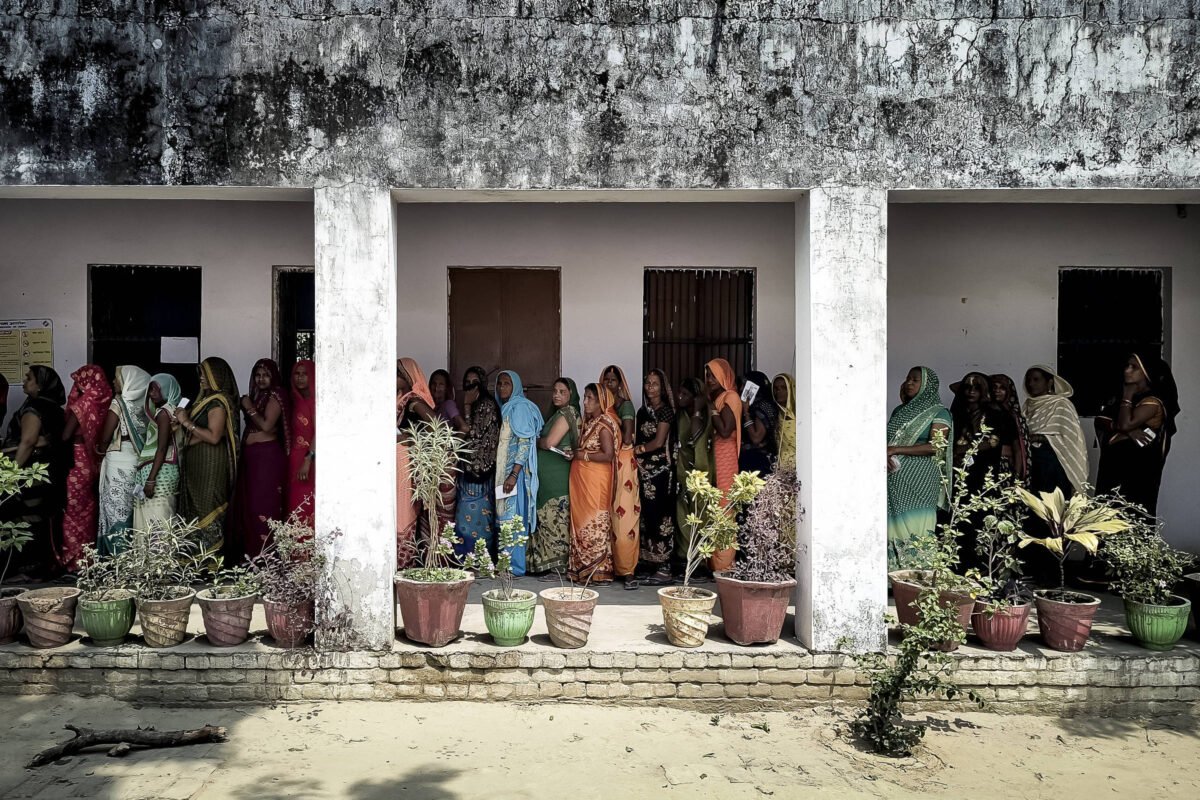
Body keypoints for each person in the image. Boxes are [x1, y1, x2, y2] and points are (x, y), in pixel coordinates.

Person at [2, 366, 69, 579]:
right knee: (41, 520)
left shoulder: (35, 406)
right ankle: (41, 568)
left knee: (24, 518)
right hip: (49, 473)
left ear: (40, 384)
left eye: (29, 378)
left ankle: (27, 570)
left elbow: (29, 441)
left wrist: (11, 473)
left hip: (30, 475)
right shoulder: (57, 409)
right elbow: (43, 440)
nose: (24, 381)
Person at [1096, 354, 1180, 516]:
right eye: (1127, 365)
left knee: (1131, 514)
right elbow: (1101, 420)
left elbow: (1125, 423)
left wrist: (1127, 396)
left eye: (1134, 367)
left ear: (1147, 372)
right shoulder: (1118, 399)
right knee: (1107, 516)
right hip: (1114, 470)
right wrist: (1127, 430)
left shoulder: (1153, 402)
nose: (1127, 370)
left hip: (1136, 474)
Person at [886, 367, 953, 571]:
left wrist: (895, 449)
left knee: (917, 525)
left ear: (927, 385)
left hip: (921, 479)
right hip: (894, 477)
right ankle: (894, 575)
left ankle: (918, 573)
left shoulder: (939, 412)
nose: (909, 383)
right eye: (908, 378)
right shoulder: (900, 410)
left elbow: (936, 446)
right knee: (892, 525)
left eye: (915, 380)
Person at [230, 359, 289, 561]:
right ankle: (251, 557)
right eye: (257, 375)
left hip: (267, 461)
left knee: (264, 507)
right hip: (253, 460)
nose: (261, 379)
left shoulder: (276, 395)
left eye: (266, 375)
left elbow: (266, 425)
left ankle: (267, 558)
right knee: (250, 509)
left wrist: (247, 406)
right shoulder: (259, 396)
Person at [60, 365, 112, 572]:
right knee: (88, 510)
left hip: (77, 459)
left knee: (72, 511)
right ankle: (88, 558)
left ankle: (73, 560)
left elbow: (65, 435)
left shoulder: (82, 404)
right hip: (94, 462)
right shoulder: (105, 401)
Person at [569, 383, 620, 585]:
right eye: (585, 397)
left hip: (596, 482)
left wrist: (584, 455)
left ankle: (598, 570)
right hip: (583, 483)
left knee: (596, 523)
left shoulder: (604, 423)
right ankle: (582, 567)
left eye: (590, 398)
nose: (585, 402)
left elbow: (608, 455)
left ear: (601, 402)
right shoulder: (590, 422)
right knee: (582, 525)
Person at [97, 365, 150, 555]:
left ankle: (116, 557)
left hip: (118, 460)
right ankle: (132, 556)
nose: (113, 382)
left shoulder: (119, 402)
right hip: (138, 461)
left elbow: (105, 436)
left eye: (116, 378)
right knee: (131, 510)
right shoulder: (147, 404)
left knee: (114, 509)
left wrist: (101, 449)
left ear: (127, 381)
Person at [529, 377, 579, 577]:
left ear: (571, 395)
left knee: (556, 519)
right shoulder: (557, 414)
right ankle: (548, 564)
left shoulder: (568, 413)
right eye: (555, 391)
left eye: (562, 392)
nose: (557, 395)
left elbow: (549, 442)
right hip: (547, 477)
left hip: (557, 478)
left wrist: (536, 440)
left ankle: (558, 566)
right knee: (547, 519)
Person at [495, 370, 543, 577]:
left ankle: (514, 567)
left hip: (514, 475)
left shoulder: (519, 408)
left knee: (512, 519)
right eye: (499, 384)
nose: (502, 387)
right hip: (503, 473)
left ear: (516, 386)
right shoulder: (507, 409)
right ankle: (506, 564)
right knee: (503, 516)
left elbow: (524, 443)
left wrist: (513, 475)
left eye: (507, 383)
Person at [634, 369, 676, 585]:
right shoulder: (643, 411)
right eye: (647, 383)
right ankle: (648, 562)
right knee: (646, 517)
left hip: (660, 472)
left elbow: (659, 442)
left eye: (655, 383)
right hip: (643, 472)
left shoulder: (665, 412)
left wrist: (638, 450)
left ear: (663, 387)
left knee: (661, 517)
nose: (650, 387)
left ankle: (664, 567)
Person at [454, 365, 500, 560]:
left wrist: (465, 408)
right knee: (465, 519)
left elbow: (473, 436)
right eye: (467, 383)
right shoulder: (477, 406)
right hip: (469, 471)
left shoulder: (486, 406)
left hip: (480, 473)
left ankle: (480, 561)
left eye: (475, 383)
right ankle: (465, 560)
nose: (470, 387)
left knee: (479, 519)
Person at [1022, 365, 1088, 499]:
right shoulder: (1027, 405)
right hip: (1033, 463)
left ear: (1050, 382)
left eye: (1036, 380)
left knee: (1053, 506)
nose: (1031, 384)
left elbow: (1070, 436)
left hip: (1054, 463)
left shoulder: (1061, 404)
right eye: (1028, 380)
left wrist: (1039, 438)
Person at [602, 365, 641, 589]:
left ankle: (627, 571)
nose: (609, 383)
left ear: (620, 383)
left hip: (623, 463)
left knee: (624, 518)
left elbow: (627, 438)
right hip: (605, 464)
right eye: (606, 379)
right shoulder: (601, 407)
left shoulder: (624, 406)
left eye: (613, 380)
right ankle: (608, 567)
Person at [396, 357, 435, 568]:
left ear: (409, 377)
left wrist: (409, 439)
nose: (394, 377)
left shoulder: (414, 401)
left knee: (405, 512)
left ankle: (406, 560)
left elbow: (435, 426)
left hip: (406, 464)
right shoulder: (402, 400)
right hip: (398, 464)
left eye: (399, 374)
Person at [704, 358, 742, 572]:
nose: (709, 379)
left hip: (726, 458)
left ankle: (724, 564)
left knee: (724, 508)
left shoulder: (731, 397)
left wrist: (710, 407)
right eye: (707, 375)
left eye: (713, 375)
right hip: (714, 459)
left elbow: (725, 430)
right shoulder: (717, 398)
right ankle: (713, 562)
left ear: (724, 376)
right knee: (713, 508)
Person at [133, 373, 183, 532]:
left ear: (167, 389)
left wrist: (150, 480)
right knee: (161, 521)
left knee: (154, 523)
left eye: (156, 389)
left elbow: (161, 448)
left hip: (160, 475)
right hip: (166, 471)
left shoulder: (163, 414)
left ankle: (154, 557)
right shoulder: (175, 411)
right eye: (150, 390)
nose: (151, 394)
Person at [673, 377, 713, 574]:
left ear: (696, 397)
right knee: (683, 512)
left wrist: (697, 409)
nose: (679, 397)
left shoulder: (703, 417)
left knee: (700, 513)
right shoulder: (680, 415)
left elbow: (697, 438)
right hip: (682, 472)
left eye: (685, 394)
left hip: (700, 471)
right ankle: (684, 556)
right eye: (679, 392)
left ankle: (700, 560)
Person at [286, 359, 316, 526]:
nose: (300, 378)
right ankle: (295, 551)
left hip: (309, 460)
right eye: (297, 374)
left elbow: (318, 434)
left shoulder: (316, 402)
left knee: (306, 503)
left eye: (305, 374)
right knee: (294, 505)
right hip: (295, 460)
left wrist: (308, 459)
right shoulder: (295, 402)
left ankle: (309, 550)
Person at [989, 374, 1029, 484]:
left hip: (1004, 467)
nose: (997, 391)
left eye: (1002, 388)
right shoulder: (981, 413)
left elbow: (1017, 449)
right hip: (984, 465)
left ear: (1008, 392)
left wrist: (1016, 477)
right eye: (994, 387)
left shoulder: (1011, 416)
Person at [738, 370, 778, 476]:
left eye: (745, 385)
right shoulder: (754, 405)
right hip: (750, 459)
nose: (741, 389)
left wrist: (746, 412)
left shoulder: (763, 406)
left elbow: (756, 438)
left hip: (759, 462)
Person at [773, 373, 797, 475]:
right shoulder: (776, 414)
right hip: (782, 469)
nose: (779, 391)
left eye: (783, 388)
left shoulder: (800, 413)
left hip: (799, 467)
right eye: (776, 388)